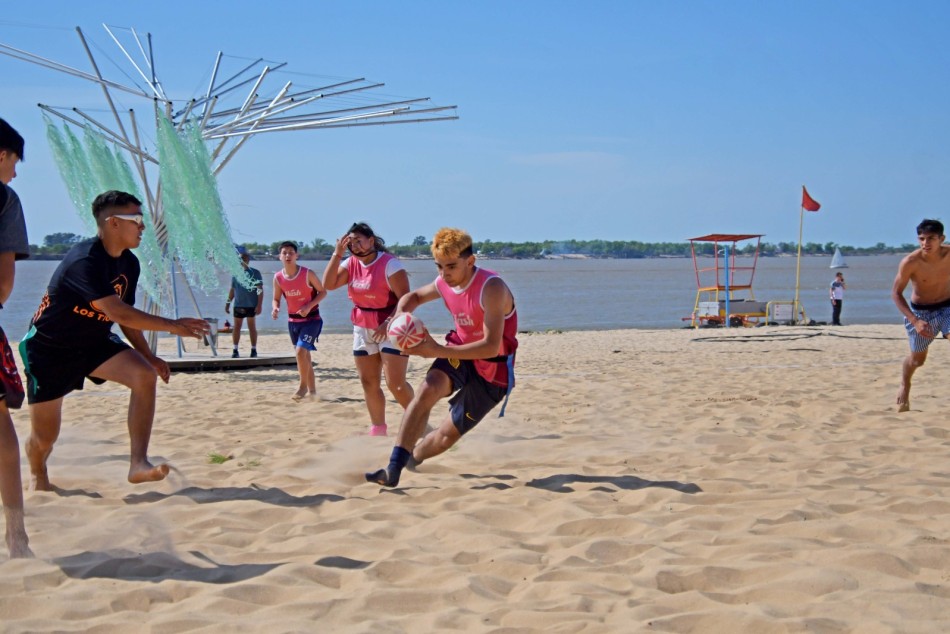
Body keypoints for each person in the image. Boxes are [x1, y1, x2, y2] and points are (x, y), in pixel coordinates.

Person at [19, 190, 210, 493]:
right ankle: (37, 471)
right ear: (113, 223)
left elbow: (127, 318)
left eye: (142, 219)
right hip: (50, 348)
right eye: (136, 219)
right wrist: (173, 326)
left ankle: (138, 463)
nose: (143, 226)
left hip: (94, 342)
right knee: (44, 437)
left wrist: (148, 356)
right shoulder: (83, 260)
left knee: (143, 375)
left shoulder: (129, 264)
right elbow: (118, 311)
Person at [365, 228, 518, 487]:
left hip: (493, 370)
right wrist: (400, 317)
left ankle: (412, 458)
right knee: (428, 388)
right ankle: (393, 468)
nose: (444, 274)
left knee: (445, 436)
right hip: (459, 353)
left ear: (470, 262)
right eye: (438, 267)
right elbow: (411, 297)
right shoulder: (444, 282)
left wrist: (435, 350)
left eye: (450, 266)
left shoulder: (492, 288)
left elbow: (491, 346)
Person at [0, 119, 32, 558]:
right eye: (14, 160)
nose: (16, 172)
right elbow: (4, 283)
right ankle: (16, 534)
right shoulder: (4, 199)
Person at [891, 219, 950, 412]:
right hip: (920, 313)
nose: (926, 243)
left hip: (947, 306)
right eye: (922, 238)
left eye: (931, 238)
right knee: (918, 361)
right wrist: (915, 321)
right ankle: (905, 384)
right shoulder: (911, 262)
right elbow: (896, 293)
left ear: (942, 238)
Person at [272, 240, 327, 401]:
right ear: (279, 256)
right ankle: (313, 392)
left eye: (291, 252)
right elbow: (276, 299)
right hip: (293, 322)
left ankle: (302, 387)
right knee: (305, 357)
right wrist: (275, 308)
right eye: (284, 253)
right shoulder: (278, 277)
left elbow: (323, 292)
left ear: (297, 255)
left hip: (312, 320)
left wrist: (309, 306)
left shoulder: (307, 273)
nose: (288, 255)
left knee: (300, 352)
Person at [225, 246, 263, 358]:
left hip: (251, 305)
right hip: (238, 305)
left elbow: (260, 289)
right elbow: (232, 290)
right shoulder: (236, 274)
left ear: (248, 260)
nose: (242, 261)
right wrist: (227, 303)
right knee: (237, 327)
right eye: (240, 259)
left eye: (245, 259)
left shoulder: (255, 273)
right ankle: (235, 350)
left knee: (252, 327)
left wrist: (259, 305)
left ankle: (253, 349)